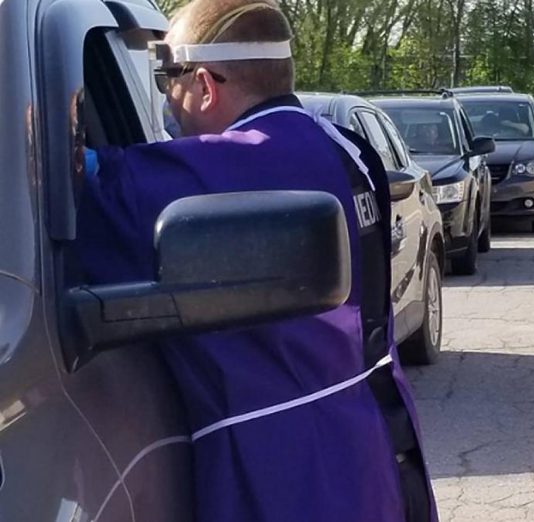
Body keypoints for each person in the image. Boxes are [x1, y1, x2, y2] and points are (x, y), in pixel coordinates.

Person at [75, 0, 437, 521]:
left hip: (290, 473)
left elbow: (69, 177)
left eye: (164, 80)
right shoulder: (348, 146)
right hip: (380, 440)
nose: (167, 103)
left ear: (204, 83)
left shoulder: (238, 166)